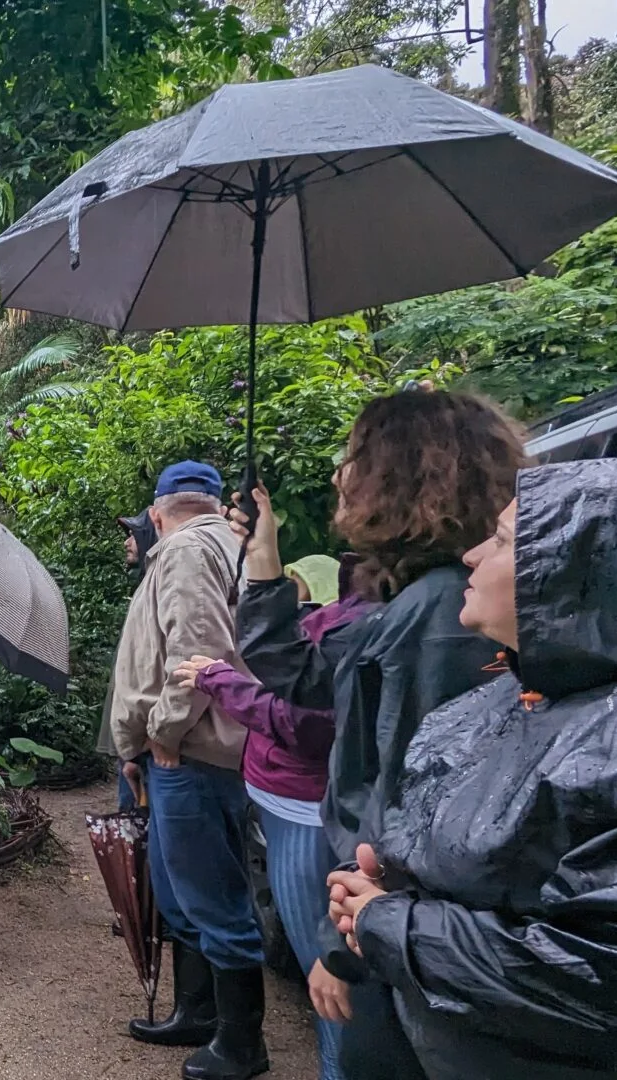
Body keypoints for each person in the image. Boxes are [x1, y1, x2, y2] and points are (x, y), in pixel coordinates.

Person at [232, 389, 522, 1079]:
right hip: (416, 928)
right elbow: (308, 677)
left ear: (400, 474)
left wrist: (351, 947)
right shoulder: (424, 595)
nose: (339, 475)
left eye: (353, 457)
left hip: (404, 932)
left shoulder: (441, 616)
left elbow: (408, 799)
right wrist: (264, 556)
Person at [328, 459, 617, 1079]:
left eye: (498, 541)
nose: (470, 556)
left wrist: (388, 922)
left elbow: (602, 972)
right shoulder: (508, 695)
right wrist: (378, 884)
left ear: (573, 568)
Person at [174, 554, 374, 1080]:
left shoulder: (359, 622)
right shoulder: (352, 610)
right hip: (287, 796)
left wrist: (219, 681)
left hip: (304, 803)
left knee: (329, 966)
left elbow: (305, 721)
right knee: (325, 961)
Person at [109, 461, 267, 1080]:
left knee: (210, 894)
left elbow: (196, 648)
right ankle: (197, 1013)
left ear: (157, 512)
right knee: (186, 893)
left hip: (192, 748)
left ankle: (241, 1043)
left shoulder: (187, 550)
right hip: (199, 748)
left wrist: (165, 732)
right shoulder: (228, 543)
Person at [98, 509, 162, 810]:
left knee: (136, 827)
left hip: (148, 746)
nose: (127, 543)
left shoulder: (159, 588)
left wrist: (137, 749)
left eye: (133, 536)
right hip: (140, 744)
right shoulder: (147, 586)